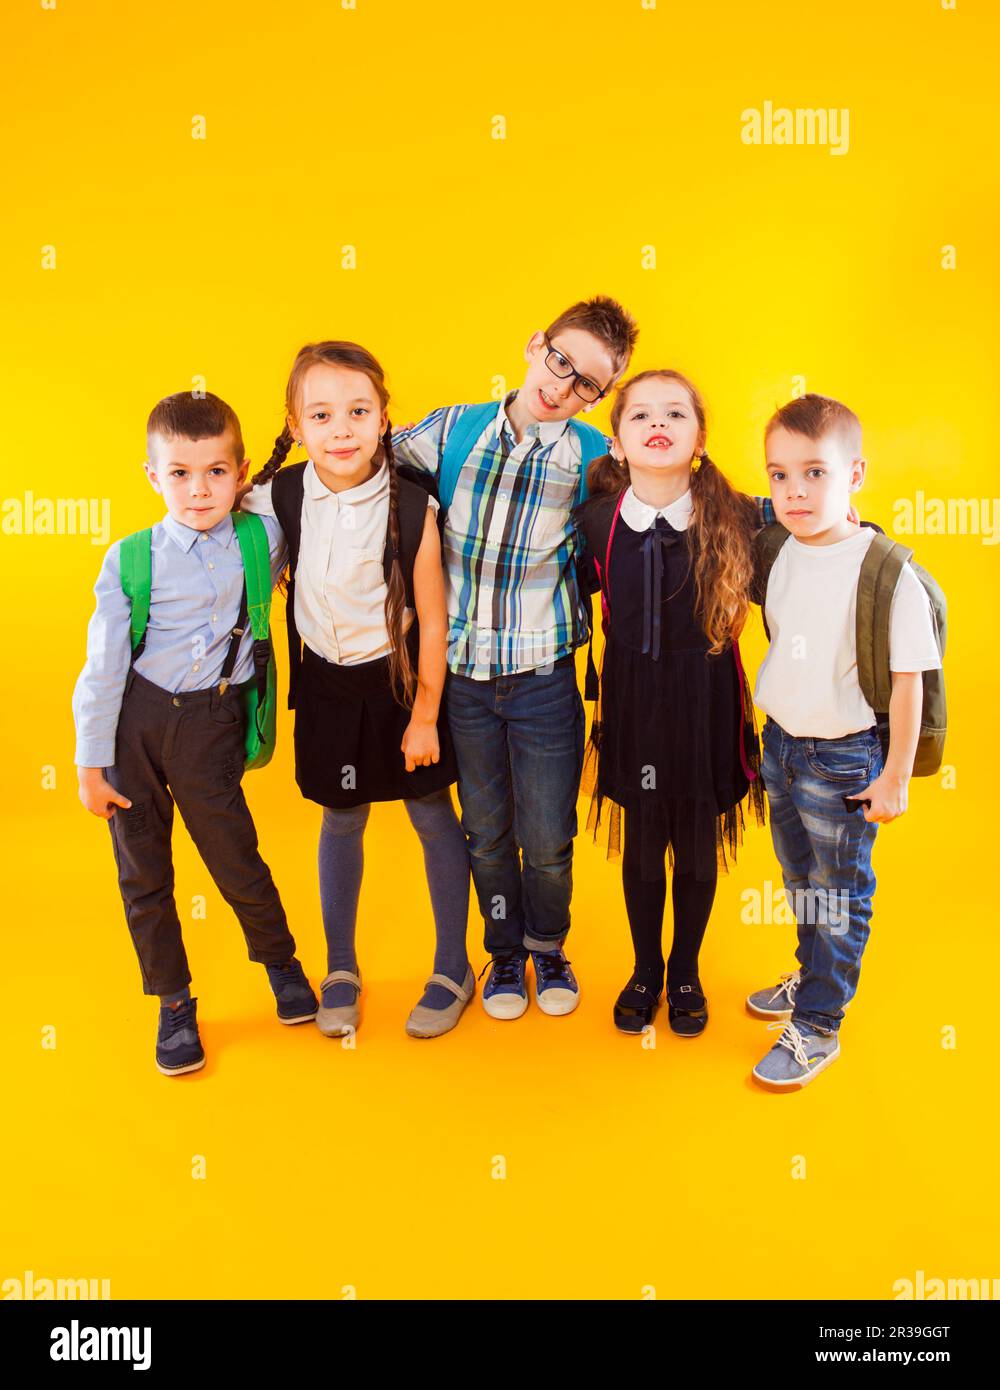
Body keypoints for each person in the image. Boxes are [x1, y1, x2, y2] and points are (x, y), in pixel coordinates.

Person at [391, 296, 639, 1019]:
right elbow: (362, 463)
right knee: (486, 831)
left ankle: (546, 945)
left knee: (547, 833)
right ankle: (501, 956)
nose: (563, 386)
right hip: (461, 680)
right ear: (536, 345)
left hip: (544, 681)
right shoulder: (453, 429)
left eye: (587, 383)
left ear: (601, 395)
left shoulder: (596, 456)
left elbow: (670, 496)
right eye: (560, 361)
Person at [73, 392, 316, 1076]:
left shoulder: (261, 533)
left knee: (237, 858)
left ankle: (281, 964)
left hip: (211, 722)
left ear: (241, 473)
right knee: (143, 873)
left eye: (216, 471)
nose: (199, 488)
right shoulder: (129, 559)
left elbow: (317, 479)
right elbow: (103, 667)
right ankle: (174, 1002)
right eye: (179, 472)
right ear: (152, 476)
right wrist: (91, 763)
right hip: (133, 726)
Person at [242, 341, 474, 1039]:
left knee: (432, 812)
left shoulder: (412, 505)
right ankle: (340, 965)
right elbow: (216, 519)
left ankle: (452, 965)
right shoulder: (279, 494)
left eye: (357, 411)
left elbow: (434, 622)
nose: (340, 429)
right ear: (296, 422)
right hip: (326, 687)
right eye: (321, 414)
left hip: (401, 682)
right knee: (341, 818)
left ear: (383, 419)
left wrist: (427, 716)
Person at [747, 393, 942, 1090]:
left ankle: (820, 1024)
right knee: (801, 883)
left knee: (839, 893)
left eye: (814, 473)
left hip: (842, 760)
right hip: (782, 748)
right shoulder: (781, 549)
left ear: (855, 473)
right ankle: (810, 978)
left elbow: (909, 679)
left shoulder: (887, 571)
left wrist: (893, 776)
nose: (794, 491)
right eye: (778, 476)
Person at [574, 370, 767, 1036]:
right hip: (632, 700)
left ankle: (685, 970)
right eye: (642, 415)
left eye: (676, 414)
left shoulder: (740, 515)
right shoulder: (597, 519)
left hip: (704, 702)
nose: (659, 423)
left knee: (694, 843)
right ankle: (645, 968)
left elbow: (813, 552)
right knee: (642, 841)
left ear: (700, 437)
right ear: (618, 441)